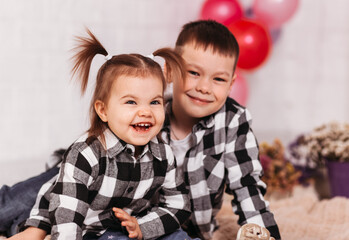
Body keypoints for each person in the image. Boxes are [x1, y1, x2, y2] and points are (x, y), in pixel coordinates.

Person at [1, 20, 281, 240]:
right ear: (170, 72)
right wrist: (39, 225)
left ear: (232, 84)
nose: (204, 87)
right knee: (28, 197)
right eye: (193, 73)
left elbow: (247, 186)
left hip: (156, 220)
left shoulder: (232, 122)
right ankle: (23, 223)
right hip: (102, 187)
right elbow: (70, 184)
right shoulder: (150, 111)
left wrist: (263, 232)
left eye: (218, 79)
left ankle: (23, 226)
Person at [7, 29, 192, 240]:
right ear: (103, 110)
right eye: (131, 102)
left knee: (179, 236)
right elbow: (67, 216)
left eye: (155, 102)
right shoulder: (85, 153)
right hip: (84, 224)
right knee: (26, 217)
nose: (145, 111)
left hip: (128, 225)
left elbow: (179, 204)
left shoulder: (163, 153)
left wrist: (143, 227)